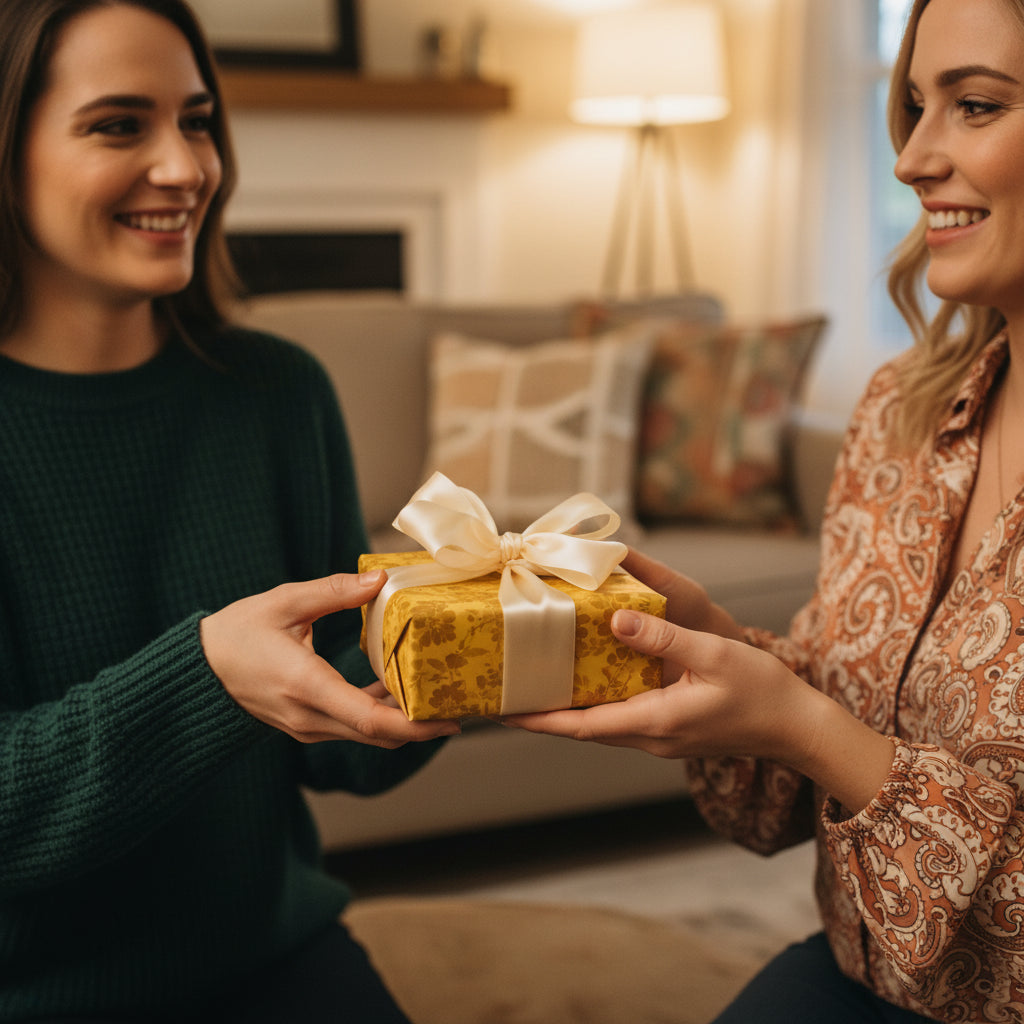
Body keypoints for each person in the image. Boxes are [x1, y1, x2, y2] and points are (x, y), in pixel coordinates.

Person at [506, 0, 1024, 1020]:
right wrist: (715, 651)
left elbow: (829, 737)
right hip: (855, 974)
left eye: (973, 105)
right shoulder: (896, 412)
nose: (911, 159)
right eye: (913, 106)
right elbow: (817, 746)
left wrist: (801, 724)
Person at [0, 1, 460, 1020]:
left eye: (197, 120)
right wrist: (209, 675)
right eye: (119, 125)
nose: (185, 167)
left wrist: (470, 649)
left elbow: (340, 748)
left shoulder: (276, 392)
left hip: (273, 956)